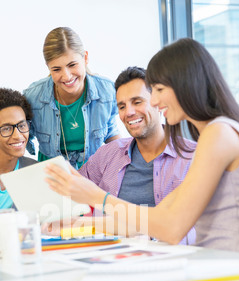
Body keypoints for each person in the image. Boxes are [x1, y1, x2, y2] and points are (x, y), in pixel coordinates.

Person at [45, 38, 239, 252]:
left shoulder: (218, 134)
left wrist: (97, 196)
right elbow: (157, 218)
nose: (156, 101)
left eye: (158, 89)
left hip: (228, 271)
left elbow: (172, 228)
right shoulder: (216, 134)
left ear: (186, 83)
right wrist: (79, 225)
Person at [78, 66, 196, 244]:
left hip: (169, 260)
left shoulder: (193, 157)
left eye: (137, 101)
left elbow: (200, 226)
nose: (129, 112)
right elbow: (73, 190)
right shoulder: (108, 154)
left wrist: (147, 235)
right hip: (109, 257)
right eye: (122, 106)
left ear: (157, 102)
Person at [23, 26, 120, 169]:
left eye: (72, 65)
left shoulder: (107, 91)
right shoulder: (32, 97)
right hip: (51, 173)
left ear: (85, 58)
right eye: (56, 69)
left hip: (94, 171)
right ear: (48, 67)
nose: (67, 76)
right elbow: (20, 137)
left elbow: (110, 132)